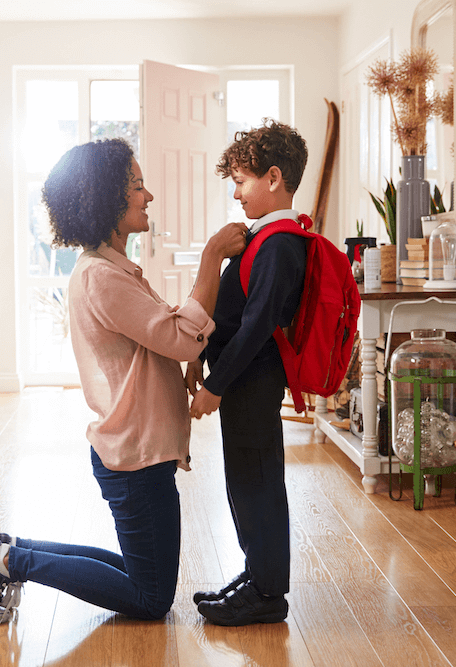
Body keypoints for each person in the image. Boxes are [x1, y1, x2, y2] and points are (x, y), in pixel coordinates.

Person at [0, 138, 248, 624]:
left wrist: (183, 354)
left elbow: (162, 338)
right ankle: (11, 562)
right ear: (107, 202)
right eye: (138, 187)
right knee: (150, 597)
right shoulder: (103, 277)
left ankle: (8, 549)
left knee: (142, 574)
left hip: (136, 452)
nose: (149, 196)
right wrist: (212, 258)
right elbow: (181, 337)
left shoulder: (112, 270)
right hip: (136, 458)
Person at [186, 119, 309, 626]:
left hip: (252, 382)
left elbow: (258, 325)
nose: (235, 193)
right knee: (244, 480)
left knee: (257, 482)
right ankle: (257, 574)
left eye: (241, 181)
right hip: (243, 382)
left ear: (273, 178)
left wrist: (216, 385)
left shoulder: (281, 243)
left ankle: (268, 593)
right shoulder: (264, 237)